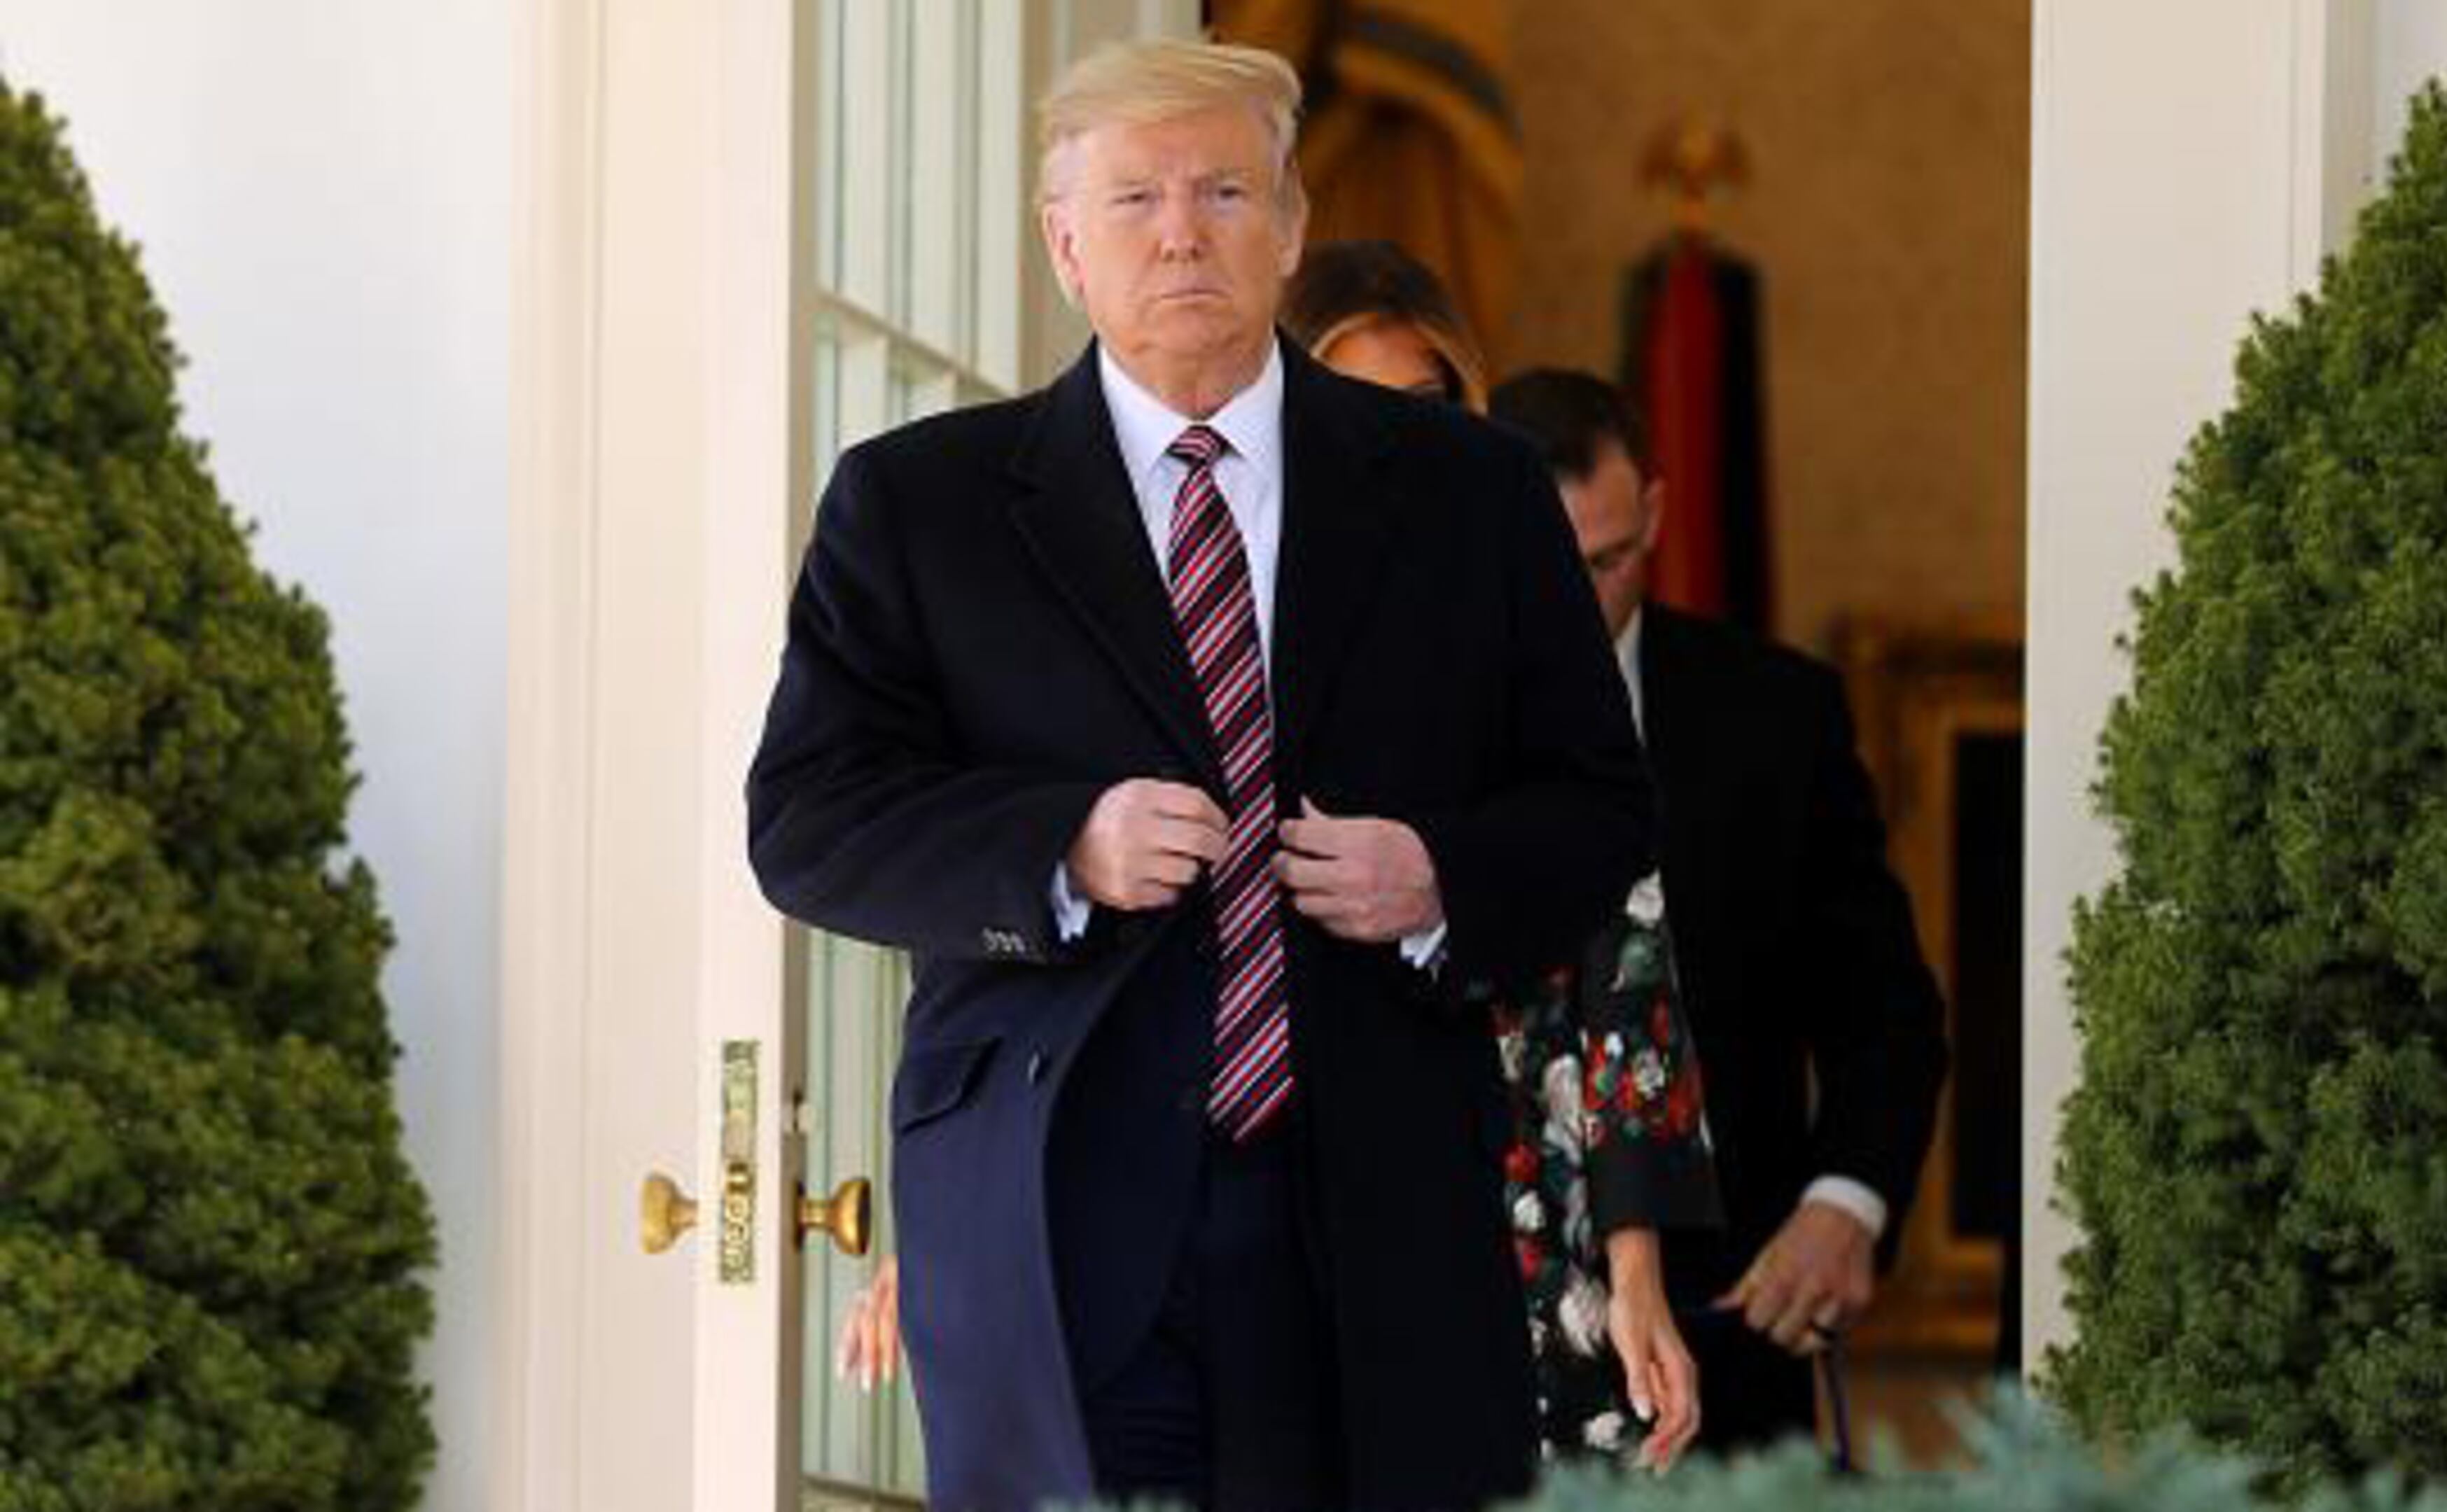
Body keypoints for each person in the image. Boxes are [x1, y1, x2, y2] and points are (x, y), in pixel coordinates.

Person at [748, 41, 1653, 1512]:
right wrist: (1063, 847)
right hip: (1051, 1205)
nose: (1182, 231)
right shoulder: (921, 504)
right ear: (1064, 244)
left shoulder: (1467, 492)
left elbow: (1600, 804)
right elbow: (806, 824)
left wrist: (1438, 879)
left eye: (1225, 189)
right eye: (1135, 199)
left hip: (1374, 1201)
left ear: (1289, 228)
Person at [1278, 238, 1716, 1469]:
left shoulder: (1521, 617)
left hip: (1523, 1181)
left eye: (1420, 405)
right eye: (1347, 399)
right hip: (1288, 1176)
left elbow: (1621, 935)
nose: (1385, 436)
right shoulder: (1224, 608)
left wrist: (1636, 1270)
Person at [1486, 369, 1949, 1455]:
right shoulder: (1409, 720)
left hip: (1727, 1329)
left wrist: (1848, 1204)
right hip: (1478, 1335)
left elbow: (1885, 1012)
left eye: (1606, 563)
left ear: (1653, 511)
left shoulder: (1778, 716)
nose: (1575, 603)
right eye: (1545, 566)